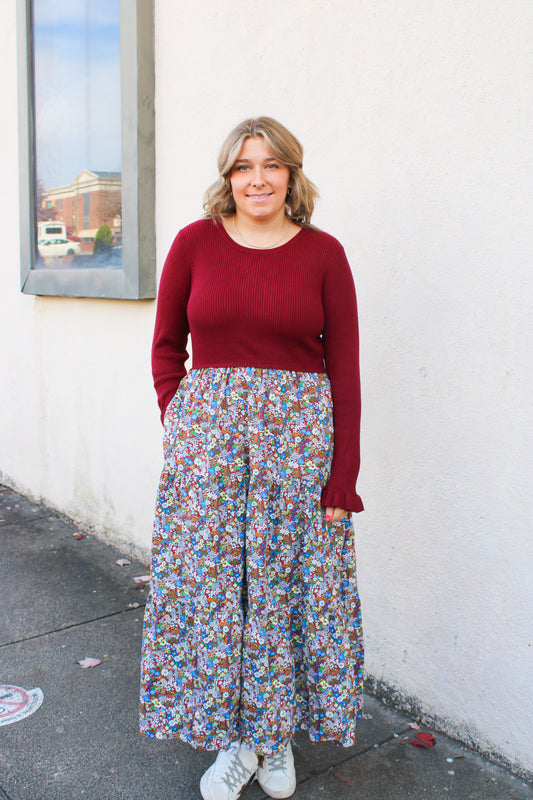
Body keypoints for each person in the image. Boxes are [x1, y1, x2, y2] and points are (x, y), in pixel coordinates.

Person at [139, 116, 364, 800]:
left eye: (271, 165)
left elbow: (345, 372)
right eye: (243, 166)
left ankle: (276, 737)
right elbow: (165, 346)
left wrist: (342, 475)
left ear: (291, 175)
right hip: (207, 459)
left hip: (295, 458)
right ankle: (238, 739)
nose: (257, 179)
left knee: (283, 599)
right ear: (226, 176)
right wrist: (182, 420)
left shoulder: (323, 253)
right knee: (219, 598)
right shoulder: (192, 244)